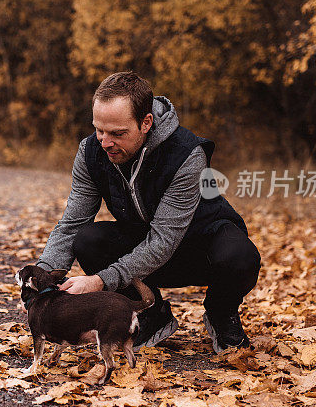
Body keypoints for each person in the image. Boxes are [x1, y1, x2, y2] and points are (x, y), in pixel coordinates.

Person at [35, 71, 261, 353]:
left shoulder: (187, 154)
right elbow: (72, 222)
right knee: (88, 239)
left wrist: (99, 281)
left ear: (146, 123)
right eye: (99, 130)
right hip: (145, 246)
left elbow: (164, 240)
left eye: (117, 133)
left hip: (201, 247)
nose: (105, 142)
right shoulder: (91, 152)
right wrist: (39, 279)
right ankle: (150, 315)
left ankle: (221, 313)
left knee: (241, 256)